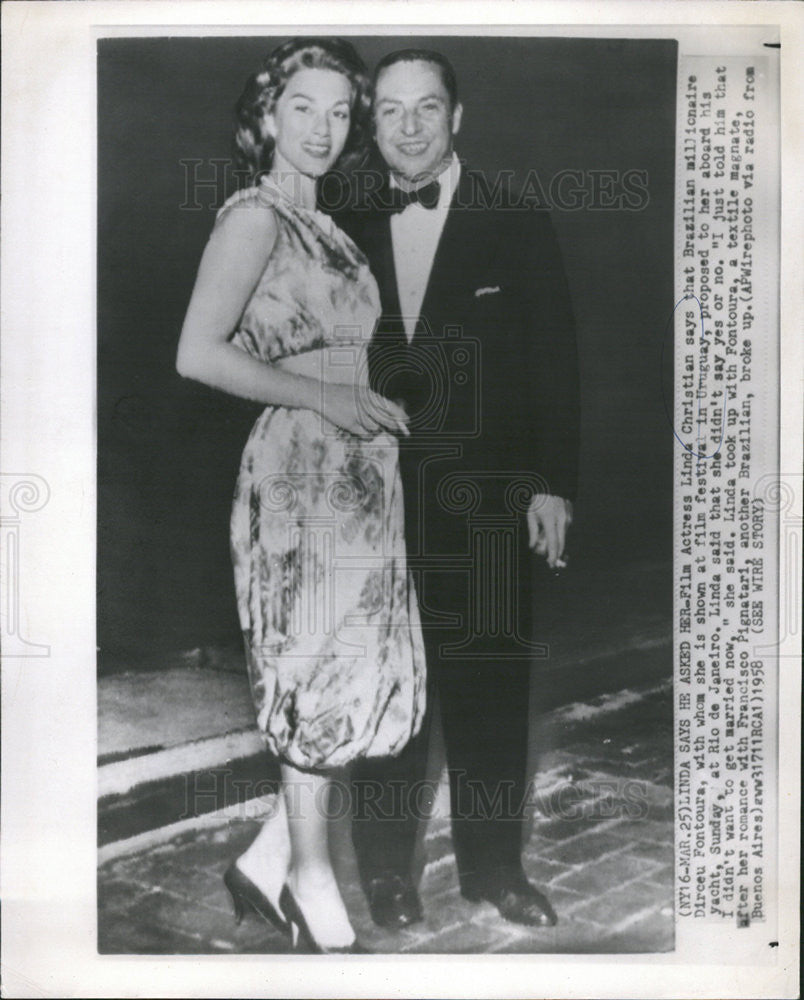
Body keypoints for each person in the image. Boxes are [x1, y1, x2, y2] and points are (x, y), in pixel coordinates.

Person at [175, 38, 426, 953]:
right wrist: (330, 397)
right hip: (299, 476)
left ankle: (264, 858)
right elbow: (196, 354)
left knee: (348, 676)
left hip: (357, 473)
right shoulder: (254, 215)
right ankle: (309, 881)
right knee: (310, 674)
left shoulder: (327, 223)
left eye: (339, 112)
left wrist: (376, 403)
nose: (325, 130)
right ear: (268, 117)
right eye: (305, 109)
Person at [343, 49, 580, 930]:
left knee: (487, 680)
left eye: (427, 108)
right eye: (391, 111)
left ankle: (493, 869)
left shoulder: (513, 217)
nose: (409, 128)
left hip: (488, 497)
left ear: (459, 116)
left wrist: (553, 484)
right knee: (388, 691)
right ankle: (386, 875)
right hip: (372, 500)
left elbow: (555, 360)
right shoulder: (339, 218)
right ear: (371, 122)